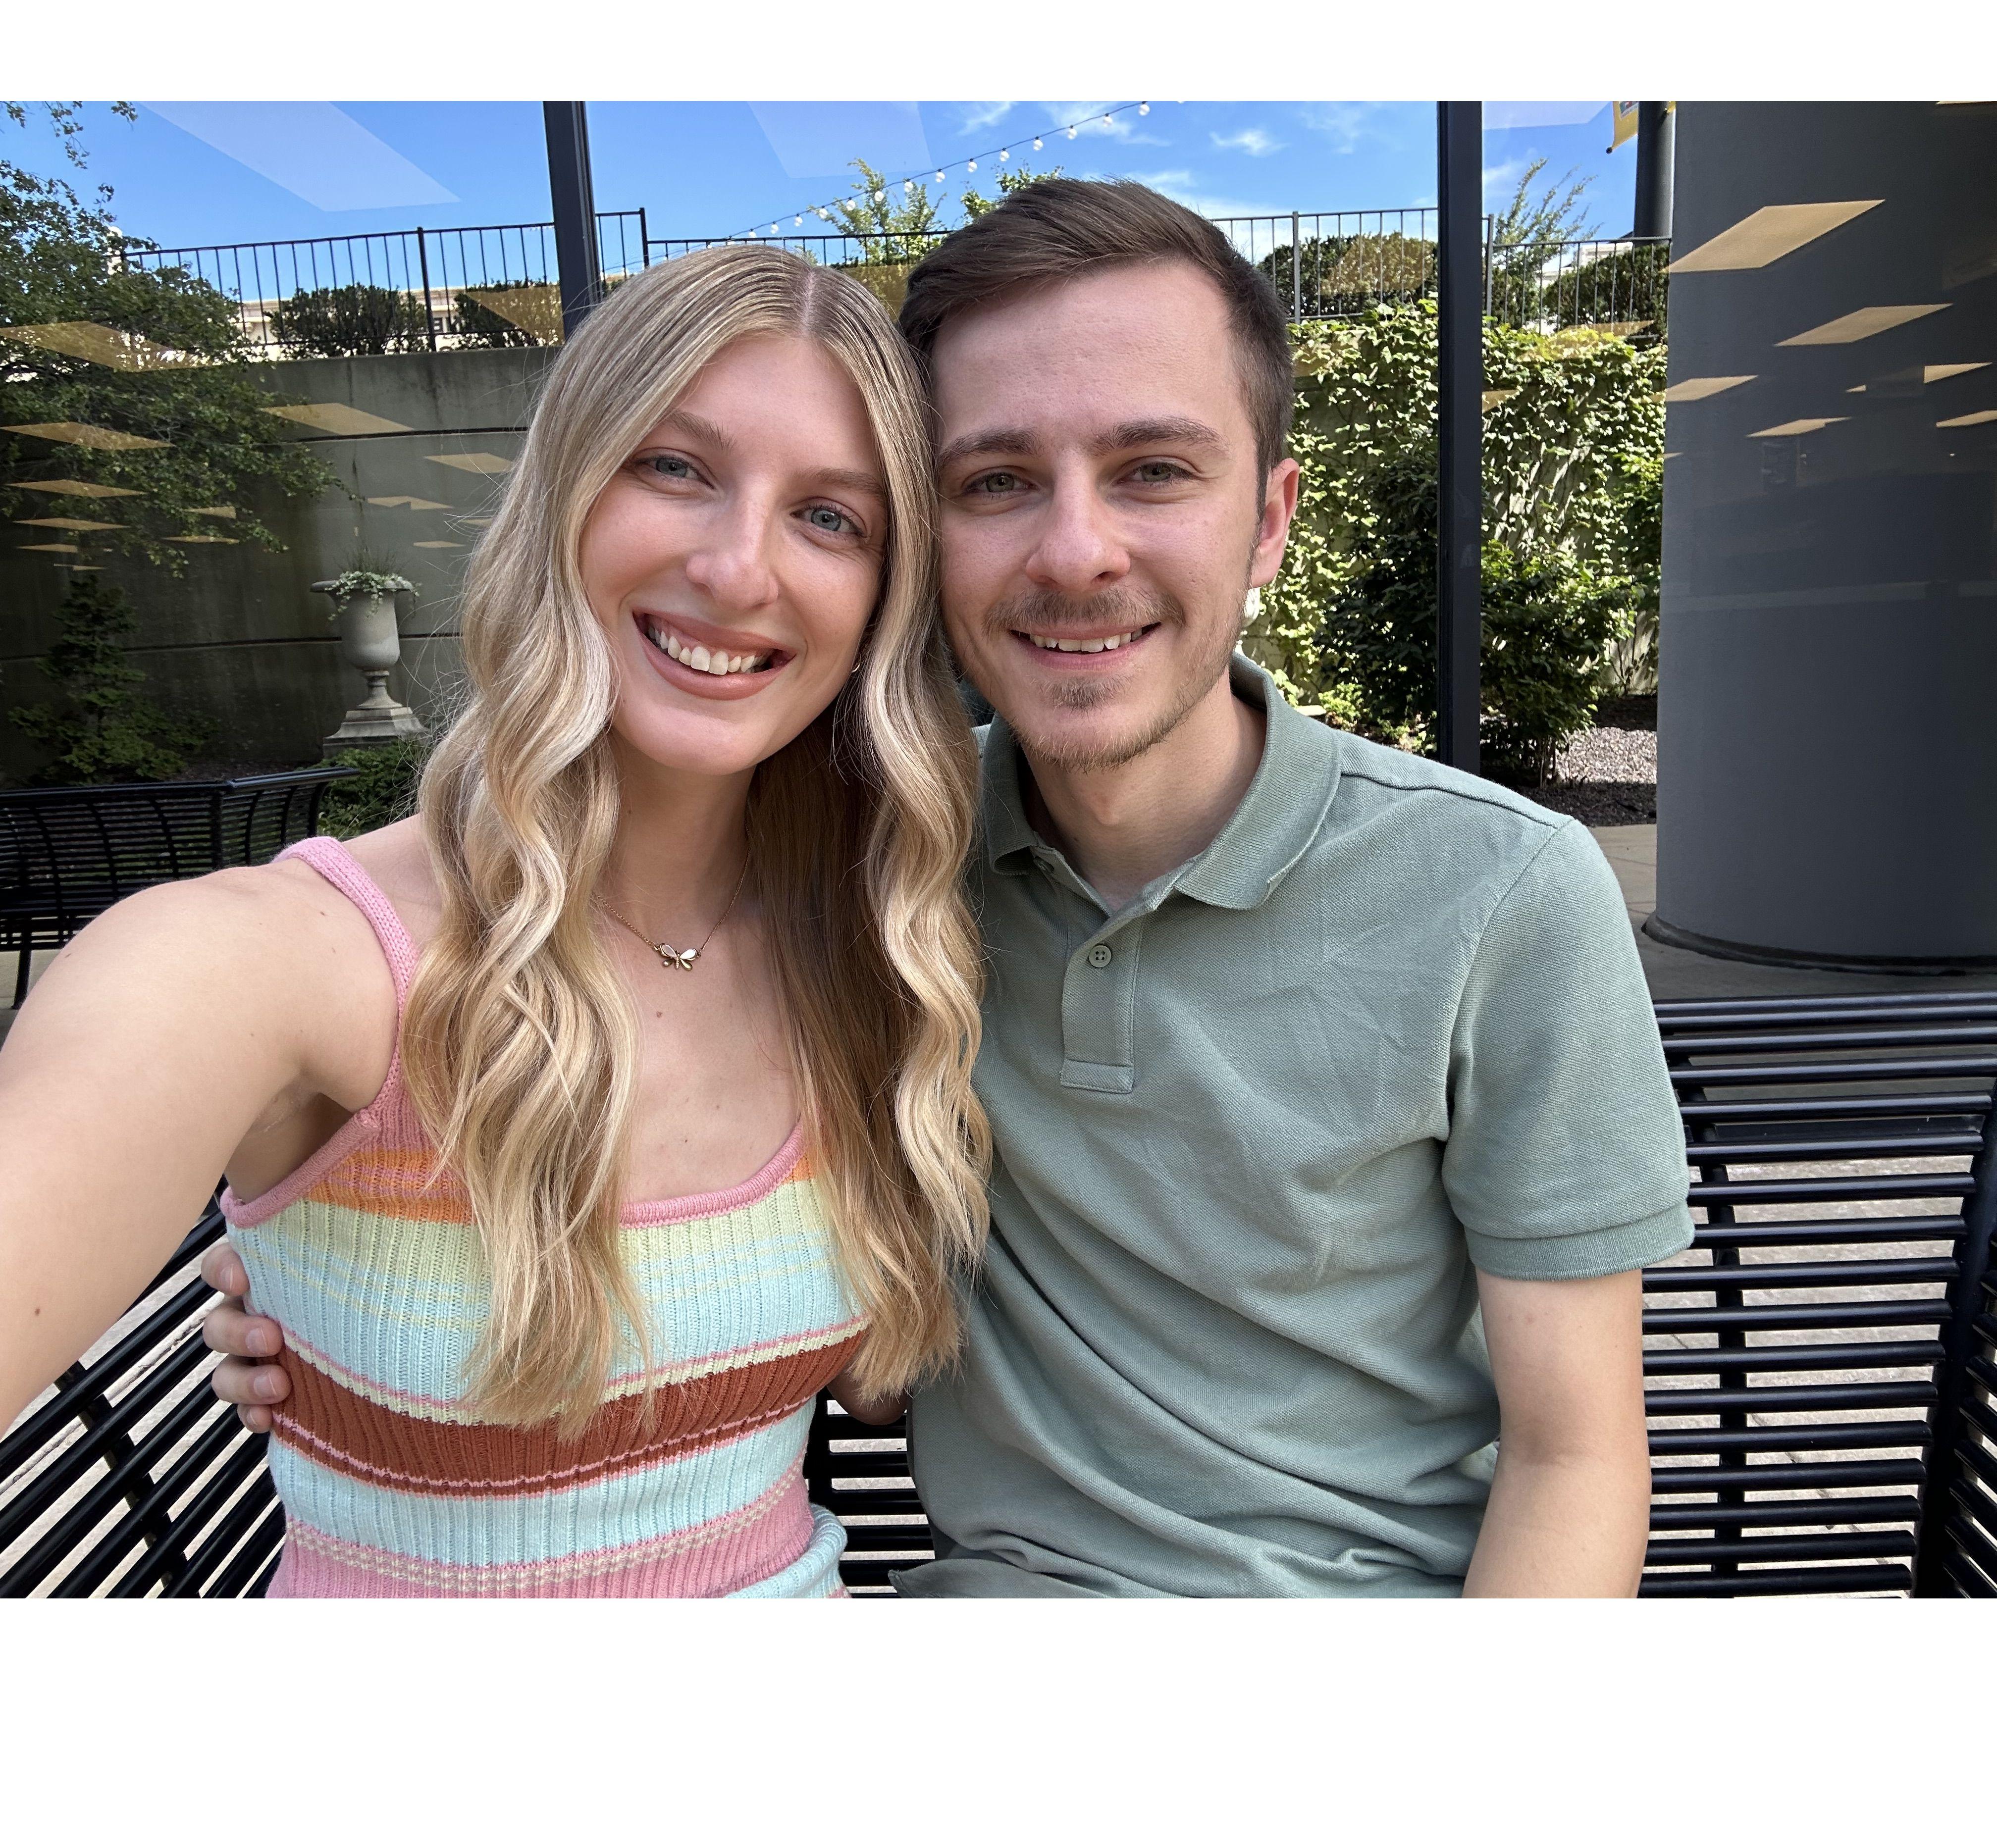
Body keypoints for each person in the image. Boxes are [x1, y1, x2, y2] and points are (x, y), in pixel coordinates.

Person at [207, 180, 1695, 1598]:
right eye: (996, 482)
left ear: (1270, 520)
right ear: (928, 545)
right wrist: (338, 1303)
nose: (1074, 551)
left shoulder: (1502, 892)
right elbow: (797, 1296)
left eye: (1155, 470)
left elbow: (1576, 1453)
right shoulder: (866, 872)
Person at [0, 245, 991, 1597]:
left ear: (884, 598)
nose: (738, 566)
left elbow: (858, 1383)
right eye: (676, 466)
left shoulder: (873, 951)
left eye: (833, 518)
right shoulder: (279, 966)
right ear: (563, 498)